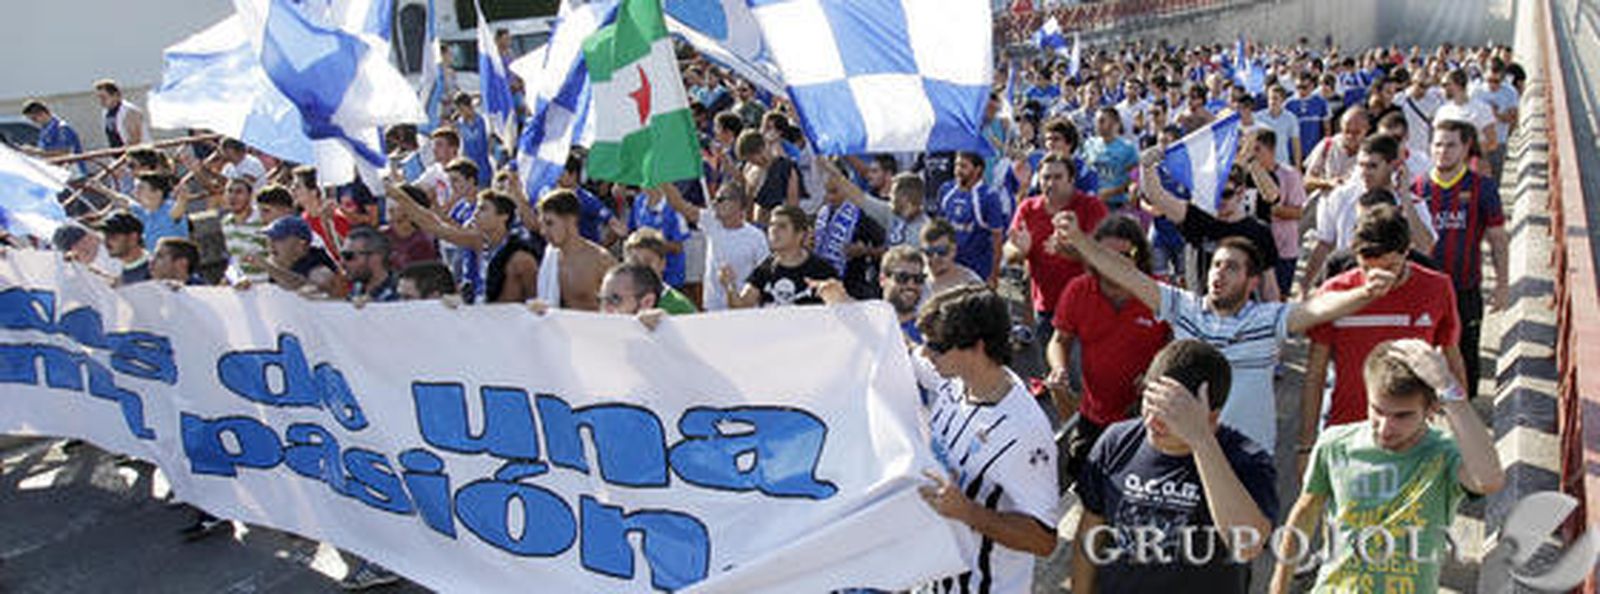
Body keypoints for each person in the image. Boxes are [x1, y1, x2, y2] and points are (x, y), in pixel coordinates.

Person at [1052, 209, 1395, 452]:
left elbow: (1316, 308)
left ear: (1252, 281)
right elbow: (1127, 274)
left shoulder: (1267, 319)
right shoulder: (1183, 308)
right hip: (1185, 452)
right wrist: (1080, 240)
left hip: (1245, 456)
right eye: (1216, 265)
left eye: (1231, 267)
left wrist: (1365, 292)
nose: (1218, 273)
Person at [1270, 339, 1504, 594]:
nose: (1385, 428)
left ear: (1432, 407)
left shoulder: (1445, 455)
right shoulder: (1335, 444)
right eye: (1377, 410)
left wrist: (1446, 385)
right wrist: (1278, 587)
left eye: (1402, 416)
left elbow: (1489, 479)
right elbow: (1305, 513)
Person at [1071, 339, 1277, 593]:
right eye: (1151, 402)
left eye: (1172, 413)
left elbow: (1247, 545)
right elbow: (1090, 529)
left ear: (1212, 417)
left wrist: (1201, 441)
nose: (1153, 421)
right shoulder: (1116, 441)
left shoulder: (1247, 459)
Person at [913, 286, 1058, 594]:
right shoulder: (954, 378)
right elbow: (901, 351)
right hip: (933, 580)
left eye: (936, 345)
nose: (926, 353)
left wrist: (968, 511)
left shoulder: (1024, 430)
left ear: (976, 347)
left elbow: (1043, 540)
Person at [1302, 205, 1464, 464]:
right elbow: (1315, 372)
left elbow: (1452, 359)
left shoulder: (1438, 288)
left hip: (1413, 440)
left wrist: (1463, 432)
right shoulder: (1334, 294)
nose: (1378, 278)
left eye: (1390, 267)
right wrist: (1306, 445)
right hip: (1347, 436)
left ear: (1407, 251)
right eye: (1367, 268)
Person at [1047, 216, 1171, 486]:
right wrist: (1059, 368)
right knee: (1085, 486)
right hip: (1093, 416)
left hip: (1146, 419)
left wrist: (1157, 375)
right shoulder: (1078, 290)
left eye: (1124, 256)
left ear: (1140, 256)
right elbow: (1059, 340)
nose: (1114, 264)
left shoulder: (1161, 295)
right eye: (1105, 255)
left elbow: (1178, 347)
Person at [1415, 119, 1510, 402]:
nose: (1442, 151)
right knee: (1421, 356)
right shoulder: (1416, 188)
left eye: (1450, 145)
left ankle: (1465, 412)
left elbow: (1497, 239)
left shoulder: (1483, 187)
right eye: (1437, 145)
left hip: (1464, 287)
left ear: (1466, 147)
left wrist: (1503, 284)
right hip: (1424, 291)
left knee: (1466, 354)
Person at [1300, 134, 1437, 296]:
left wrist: (1405, 199)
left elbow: (1425, 247)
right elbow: (1324, 244)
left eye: (1372, 166)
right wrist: (1305, 289)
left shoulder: (1412, 202)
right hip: (1349, 283)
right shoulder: (1341, 197)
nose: (1365, 173)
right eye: (1361, 165)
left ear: (1393, 165)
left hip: (1394, 286)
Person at [1004, 152, 1108, 340]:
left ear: (1071, 180)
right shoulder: (1028, 208)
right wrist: (1020, 251)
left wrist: (1071, 250)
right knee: (1049, 358)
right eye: (1046, 177)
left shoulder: (1091, 207)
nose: (1051, 183)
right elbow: (1009, 252)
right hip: (1046, 307)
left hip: (1087, 305)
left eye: (1058, 177)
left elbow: (1106, 257)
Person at [1238, 128, 1308, 298]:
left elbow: (1299, 212)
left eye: (1257, 149)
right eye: (1248, 148)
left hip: (1283, 248)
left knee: (1278, 297)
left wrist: (1271, 209)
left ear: (1272, 150)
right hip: (1250, 249)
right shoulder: (1243, 176)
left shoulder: (1289, 175)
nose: (1251, 154)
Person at [723, 205, 836, 308]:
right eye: (771, 225)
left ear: (800, 234)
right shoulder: (765, 269)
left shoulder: (822, 271)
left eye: (782, 226)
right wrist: (729, 285)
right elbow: (741, 306)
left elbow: (839, 310)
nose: (774, 230)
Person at [933, 151, 1008, 282]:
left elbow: (997, 238)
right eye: (956, 165)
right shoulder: (946, 190)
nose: (958, 170)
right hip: (950, 266)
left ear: (978, 170)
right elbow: (938, 228)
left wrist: (994, 274)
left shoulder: (989, 196)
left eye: (963, 166)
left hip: (978, 269)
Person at [537, 189, 616, 311]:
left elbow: (621, 307)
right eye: (542, 225)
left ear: (570, 220)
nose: (543, 232)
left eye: (549, 223)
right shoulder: (550, 259)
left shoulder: (600, 260)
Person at [254, 216, 342, 297]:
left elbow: (304, 286)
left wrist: (267, 267)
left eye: (278, 238)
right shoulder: (280, 264)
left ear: (301, 244)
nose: (271, 244)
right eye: (269, 238)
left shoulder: (319, 268)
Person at [622, 229, 697, 315]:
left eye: (648, 261)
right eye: (634, 262)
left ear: (662, 263)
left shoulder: (681, 307)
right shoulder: (618, 301)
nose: (641, 267)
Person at [921, 219, 984, 296]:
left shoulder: (970, 284)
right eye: (929, 251)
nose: (935, 257)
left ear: (953, 250)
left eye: (941, 251)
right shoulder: (915, 279)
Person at [342, 227, 399, 302]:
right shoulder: (356, 290)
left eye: (349, 256)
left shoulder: (401, 294)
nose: (343, 262)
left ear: (376, 257)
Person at [449, 92, 494, 187]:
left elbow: (491, 139)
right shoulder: (459, 124)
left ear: (468, 106)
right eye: (458, 109)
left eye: (462, 109)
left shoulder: (482, 121)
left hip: (483, 168)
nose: (460, 112)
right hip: (467, 169)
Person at [94, 79, 149, 148]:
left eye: (103, 97)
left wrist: (124, 154)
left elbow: (135, 140)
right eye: (99, 98)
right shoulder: (106, 113)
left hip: (138, 153)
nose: (101, 101)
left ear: (115, 95)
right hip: (117, 153)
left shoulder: (130, 111)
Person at [102, 211, 151, 285]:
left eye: (113, 235)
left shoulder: (156, 270)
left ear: (133, 238)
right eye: (105, 235)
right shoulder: (118, 278)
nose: (107, 241)